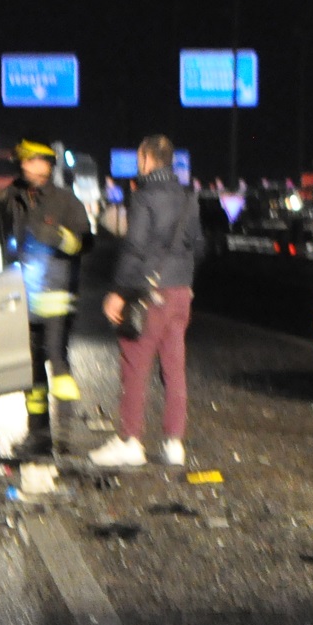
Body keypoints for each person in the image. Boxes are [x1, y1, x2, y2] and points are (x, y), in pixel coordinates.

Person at [90, 135, 203, 468]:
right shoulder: (188, 198)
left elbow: (135, 249)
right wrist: (186, 283)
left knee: (135, 365)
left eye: (140, 157)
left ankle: (130, 440)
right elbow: (198, 246)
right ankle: (173, 443)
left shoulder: (143, 197)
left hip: (148, 294)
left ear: (147, 159)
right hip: (180, 292)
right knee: (174, 368)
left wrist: (119, 292)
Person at [0, 140, 93, 423]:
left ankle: (67, 428)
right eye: (24, 161)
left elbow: (87, 242)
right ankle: (37, 430)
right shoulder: (12, 196)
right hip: (22, 296)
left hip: (56, 296)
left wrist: (61, 238)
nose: (26, 166)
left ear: (48, 164)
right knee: (32, 366)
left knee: (58, 361)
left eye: (33, 160)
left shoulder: (65, 201)